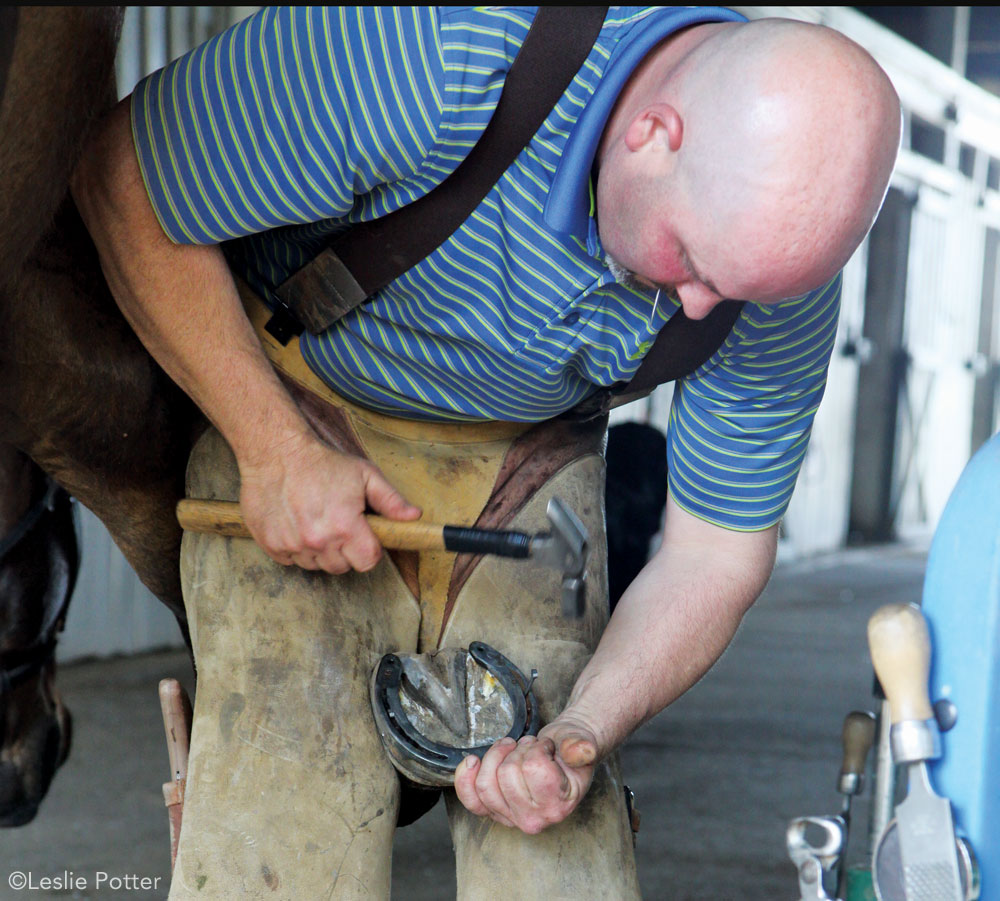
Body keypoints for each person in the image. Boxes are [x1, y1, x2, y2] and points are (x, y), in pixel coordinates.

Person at [71, 6, 900, 896]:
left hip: (530, 469)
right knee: (291, 809)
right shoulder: (434, 49)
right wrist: (271, 449)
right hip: (304, 405)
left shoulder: (772, 269)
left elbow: (717, 554)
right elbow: (124, 179)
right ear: (654, 135)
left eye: (733, 289)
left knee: (558, 848)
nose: (700, 307)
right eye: (692, 262)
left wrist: (583, 731)